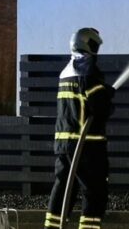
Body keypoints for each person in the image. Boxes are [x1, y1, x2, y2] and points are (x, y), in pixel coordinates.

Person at [45, 28, 115, 229]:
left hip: (63, 145)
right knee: (94, 192)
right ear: (87, 44)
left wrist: (103, 91)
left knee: (62, 189)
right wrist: (106, 98)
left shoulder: (66, 71)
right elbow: (99, 108)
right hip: (87, 146)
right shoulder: (87, 69)